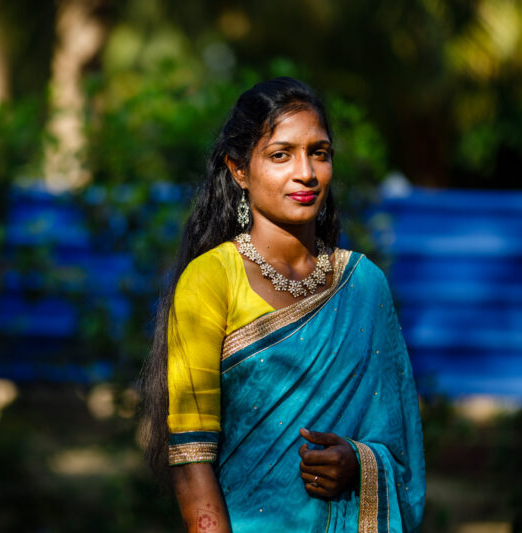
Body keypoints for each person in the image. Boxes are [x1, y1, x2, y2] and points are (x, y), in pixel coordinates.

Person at [139, 77, 425, 532]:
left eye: (320, 152)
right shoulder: (210, 279)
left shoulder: (364, 286)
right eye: (280, 154)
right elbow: (191, 456)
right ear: (239, 170)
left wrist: (357, 461)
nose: (306, 172)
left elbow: (399, 444)